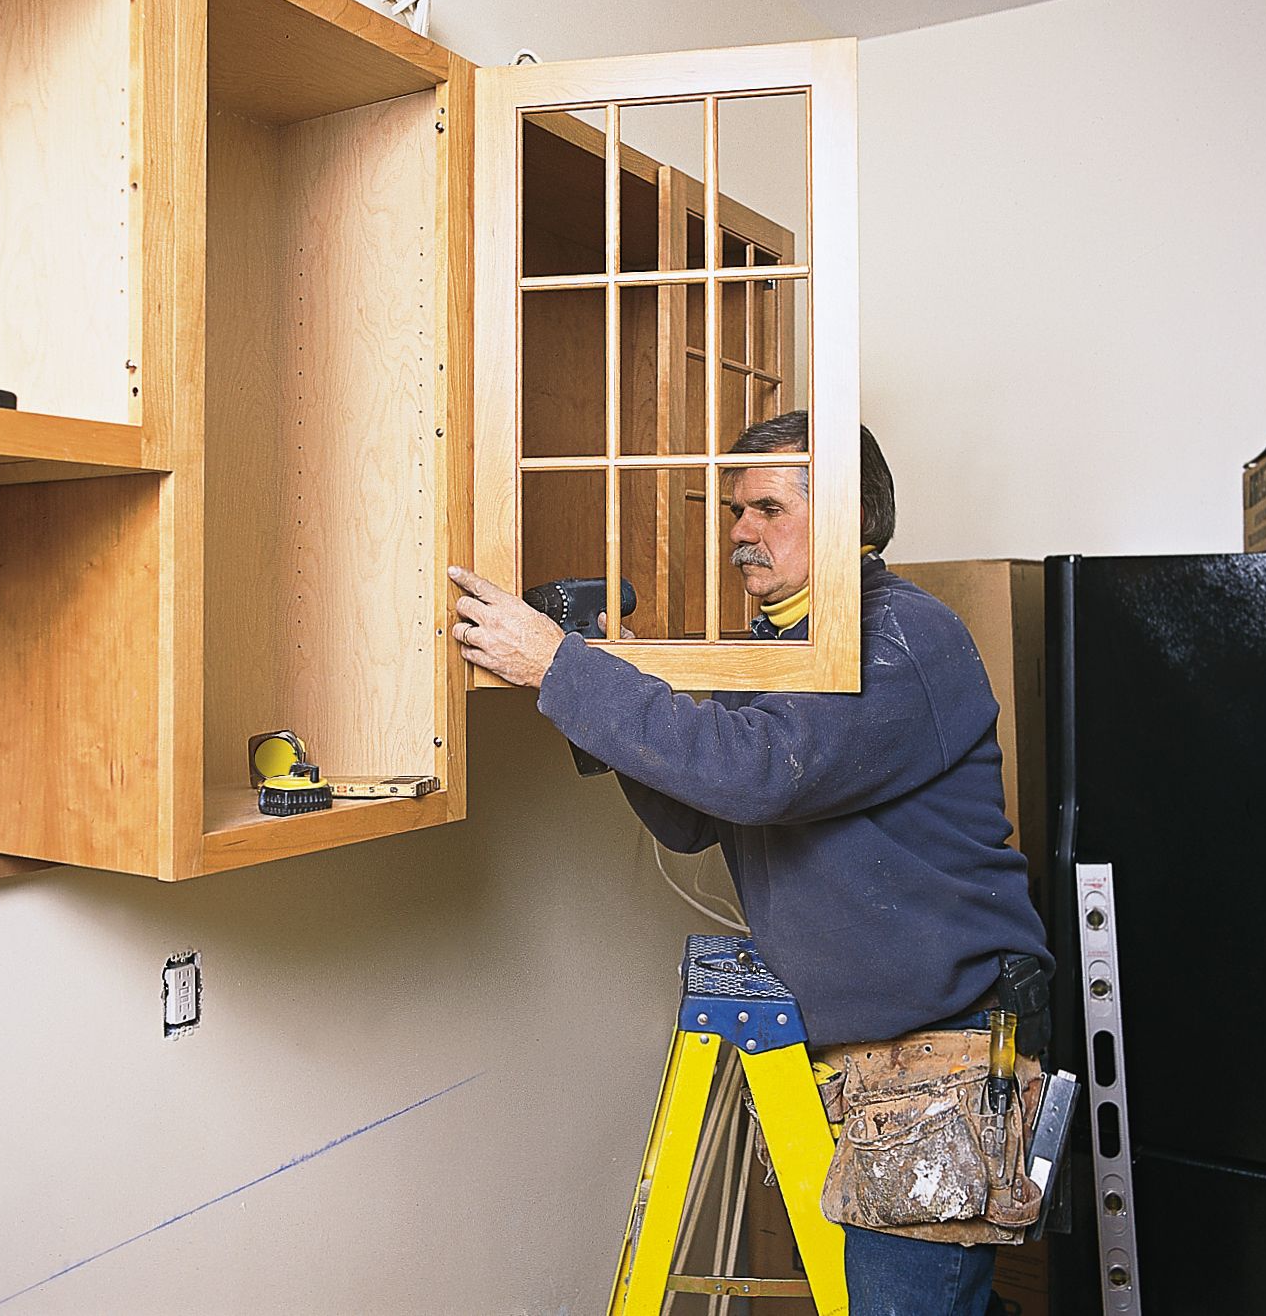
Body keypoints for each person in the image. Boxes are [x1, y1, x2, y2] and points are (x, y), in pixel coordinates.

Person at [448, 413, 1051, 1316]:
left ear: (850, 519)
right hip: (878, 1050)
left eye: (767, 508)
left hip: (946, 1053)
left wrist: (565, 669)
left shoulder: (898, 639)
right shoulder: (785, 651)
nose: (738, 532)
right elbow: (695, 813)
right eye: (735, 511)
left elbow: (754, 773)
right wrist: (590, 682)